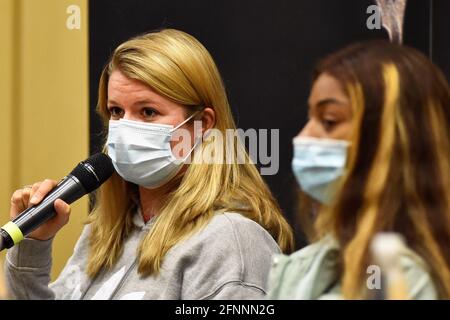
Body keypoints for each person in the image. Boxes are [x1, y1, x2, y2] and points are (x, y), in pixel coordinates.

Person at [5, 29, 294, 300]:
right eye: (116, 111)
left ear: (201, 125)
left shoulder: (231, 240)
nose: (125, 127)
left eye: (148, 112)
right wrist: (32, 246)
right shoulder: (105, 232)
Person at [268, 40, 450, 299]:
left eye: (329, 121)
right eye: (310, 118)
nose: (303, 136)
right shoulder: (305, 265)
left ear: (391, 138)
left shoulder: (406, 279)